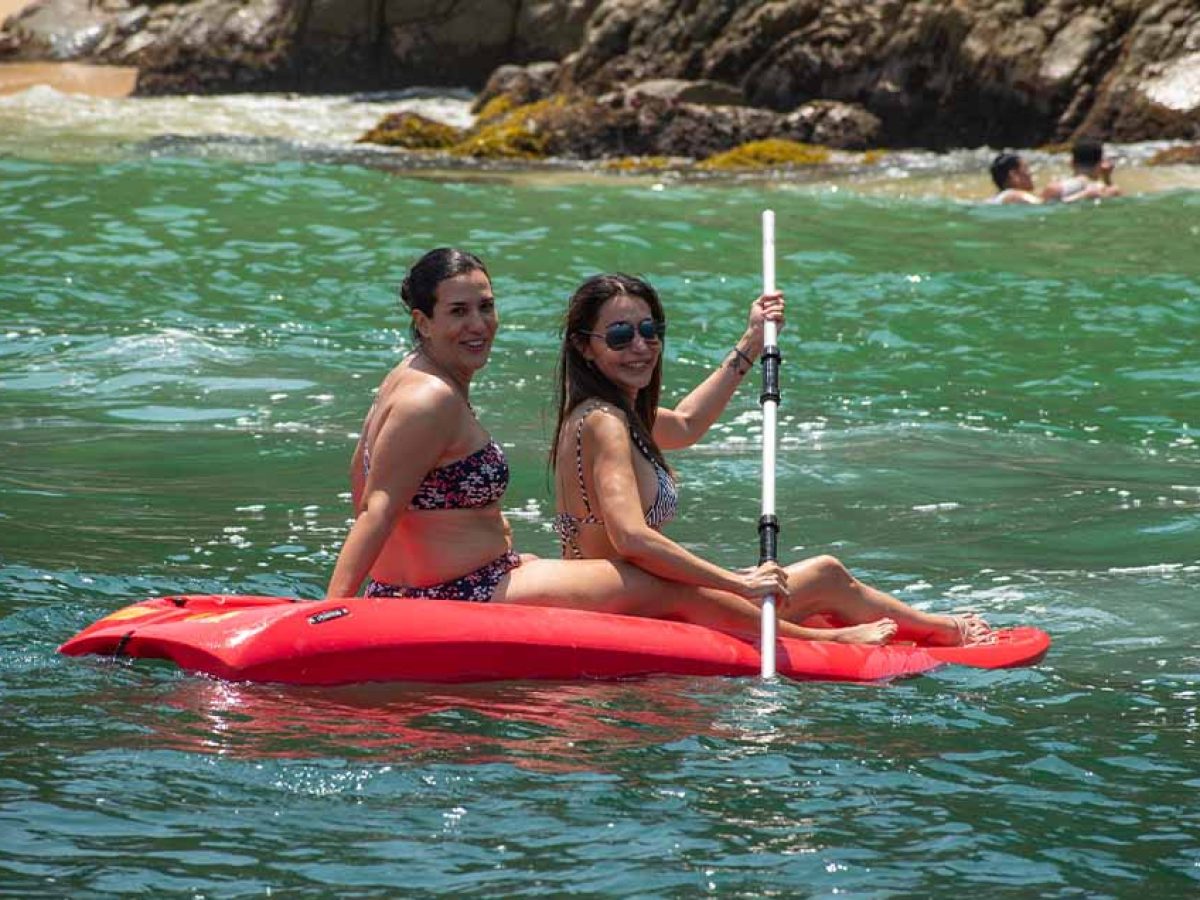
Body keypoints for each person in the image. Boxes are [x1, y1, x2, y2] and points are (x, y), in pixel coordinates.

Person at [325, 248, 887, 643]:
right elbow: (376, 508)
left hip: (449, 583)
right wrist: (331, 614)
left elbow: (686, 423)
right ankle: (820, 643)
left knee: (661, 580)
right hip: (459, 593)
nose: (479, 324)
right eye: (458, 311)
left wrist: (750, 343)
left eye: (486, 307)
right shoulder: (431, 399)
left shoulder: (408, 380)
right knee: (660, 584)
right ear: (422, 321)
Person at [550, 273, 993, 646]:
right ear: (585, 347)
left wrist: (753, 339)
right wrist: (738, 583)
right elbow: (631, 538)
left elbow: (686, 424)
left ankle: (927, 628)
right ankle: (941, 632)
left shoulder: (602, 413)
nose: (641, 346)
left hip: (636, 595)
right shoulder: (606, 423)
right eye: (620, 336)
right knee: (823, 575)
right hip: (633, 609)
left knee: (821, 577)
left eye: (650, 331)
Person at [1044, 138, 1122, 202]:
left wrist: (1082, 195)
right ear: (1101, 163)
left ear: (1071, 163)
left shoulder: (1055, 189)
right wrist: (1107, 178)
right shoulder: (1110, 191)